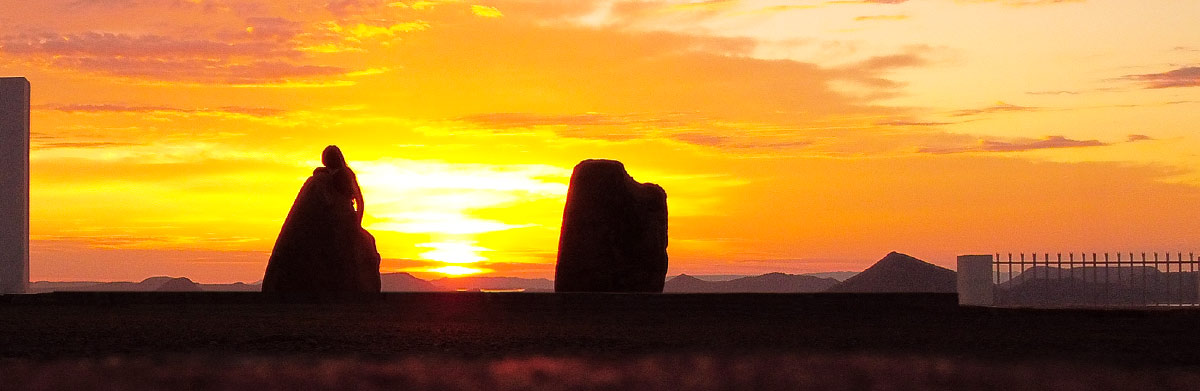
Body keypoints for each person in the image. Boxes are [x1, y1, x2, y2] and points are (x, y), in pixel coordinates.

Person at [262, 145, 381, 293]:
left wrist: (355, 225)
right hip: (333, 225)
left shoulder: (338, 176)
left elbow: (358, 201)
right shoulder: (321, 179)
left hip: (342, 223)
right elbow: (354, 203)